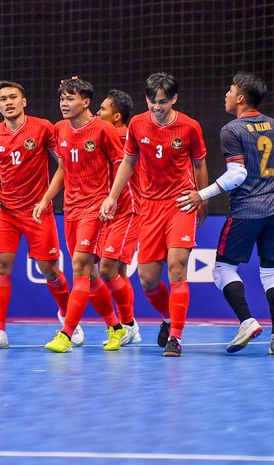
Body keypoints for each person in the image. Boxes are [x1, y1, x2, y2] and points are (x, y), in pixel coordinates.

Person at [176, 72, 274, 355]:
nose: (226, 95)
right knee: (273, 273)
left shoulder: (232, 130)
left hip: (247, 209)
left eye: (230, 90)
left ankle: (246, 321)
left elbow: (238, 174)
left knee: (222, 269)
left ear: (241, 98)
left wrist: (201, 195)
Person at [100, 72, 209, 357]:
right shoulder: (137, 124)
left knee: (176, 269)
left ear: (174, 99)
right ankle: (169, 317)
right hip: (148, 207)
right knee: (148, 280)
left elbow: (199, 165)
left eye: (162, 102)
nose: (156, 107)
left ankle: (176, 338)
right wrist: (113, 196)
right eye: (151, 101)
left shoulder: (189, 127)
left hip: (181, 203)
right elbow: (127, 162)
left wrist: (203, 198)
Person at [35, 77, 133, 353]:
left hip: (95, 208)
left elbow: (121, 167)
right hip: (71, 209)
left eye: (71, 98)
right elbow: (63, 169)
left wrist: (112, 200)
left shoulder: (104, 130)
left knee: (79, 266)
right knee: (89, 274)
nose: (64, 104)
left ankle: (66, 333)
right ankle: (115, 327)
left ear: (86, 102)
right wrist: (46, 198)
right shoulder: (60, 129)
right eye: (62, 99)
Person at [0, 80, 75, 349]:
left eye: (13, 97)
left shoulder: (43, 128)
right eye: (3, 99)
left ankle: (69, 320)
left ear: (24, 101)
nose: (8, 102)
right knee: (1, 267)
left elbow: (63, 165)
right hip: (6, 211)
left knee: (50, 270)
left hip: (37, 210)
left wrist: (47, 199)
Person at [94, 89, 142, 344]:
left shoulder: (124, 137)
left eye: (102, 109)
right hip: (111, 212)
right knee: (119, 273)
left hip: (130, 210)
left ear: (116, 117)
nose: (96, 114)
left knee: (107, 268)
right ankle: (129, 325)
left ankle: (128, 324)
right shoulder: (105, 136)